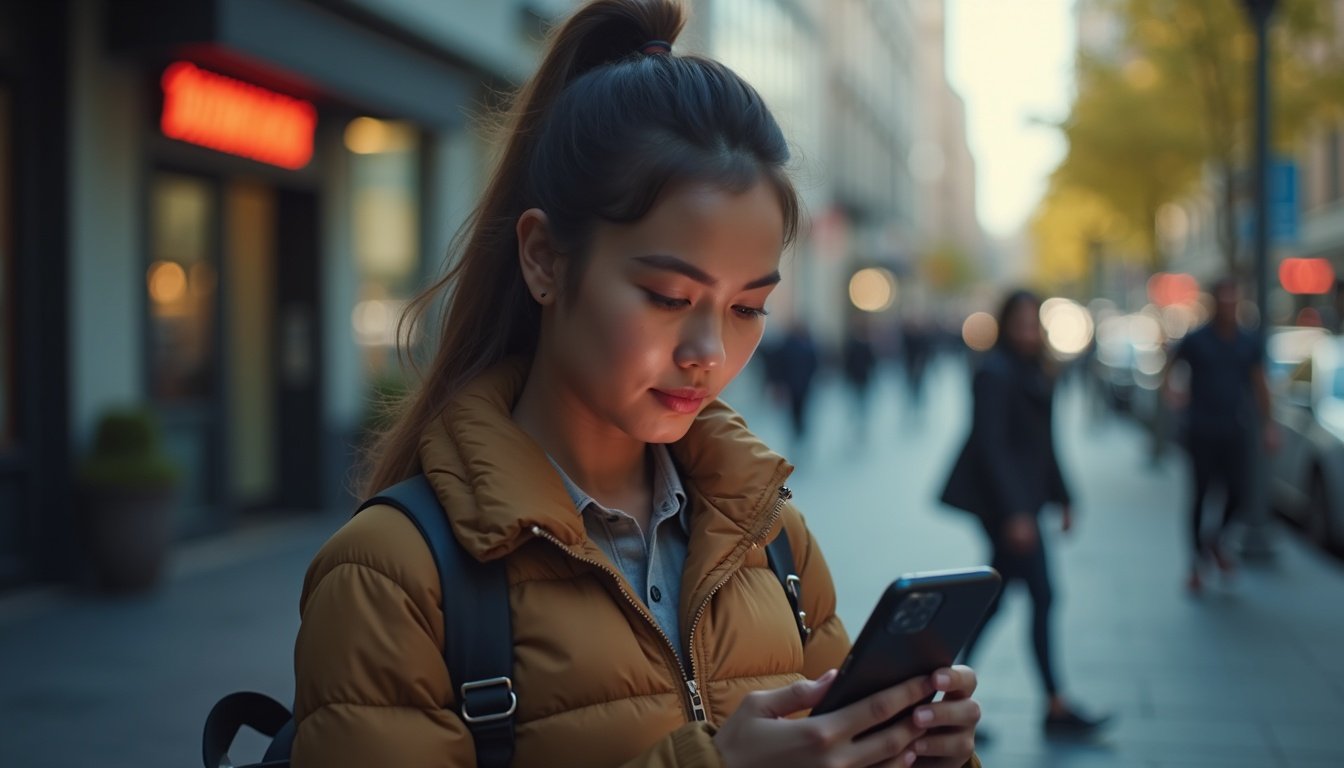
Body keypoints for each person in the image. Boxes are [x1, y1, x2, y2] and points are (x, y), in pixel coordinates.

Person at [290, 2, 983, 766]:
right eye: (667, 297)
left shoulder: (772, 540)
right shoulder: (392, 575)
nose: (710, 352)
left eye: (748, 307)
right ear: (545, 259)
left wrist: (916, 752)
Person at [940, 289, 1110, 739]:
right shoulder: (994, 373)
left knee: (995, 601)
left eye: (1034, 323)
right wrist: (1016, 513)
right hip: (1005, 507)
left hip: (1027, 504)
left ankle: (947, 695)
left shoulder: (1037, 372)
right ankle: (1050, 705)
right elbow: (991, 447)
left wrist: (1065, 497)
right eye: (1020, 322)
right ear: (1005, 325)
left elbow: (1045, 445)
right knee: (1040, 595)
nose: (1028, 330)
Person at [1162, 277, 1278, 594]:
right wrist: (1171, 391)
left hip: (1234, 430)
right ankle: (1197, 563)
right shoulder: (1197, 339)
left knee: (1239, 494)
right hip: (1201, 430)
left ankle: (1214, 542)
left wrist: (1269, 424)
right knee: (1200, 495)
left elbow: (1259, 384)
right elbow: (1169, 367)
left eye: (1233, 299)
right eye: (1224, 299)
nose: (1229, 305)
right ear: (1214, 303)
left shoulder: (1247, 341)